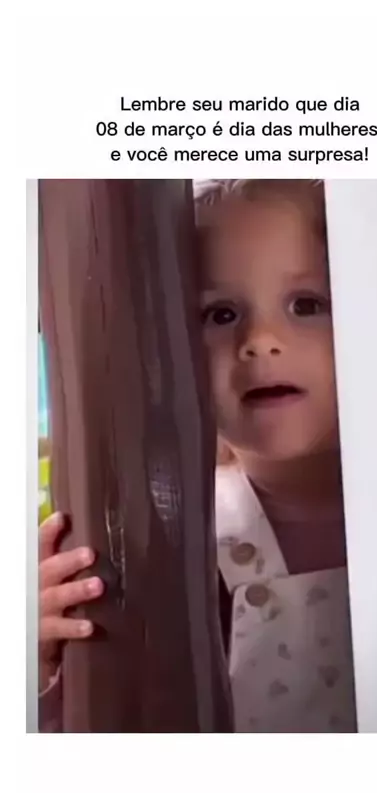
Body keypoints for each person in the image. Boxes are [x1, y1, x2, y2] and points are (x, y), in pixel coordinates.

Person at [39, 179, 357, 733]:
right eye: (221, 314)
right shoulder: (182, 535)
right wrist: (40, 658)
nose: (260, 340)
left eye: (306, 304)